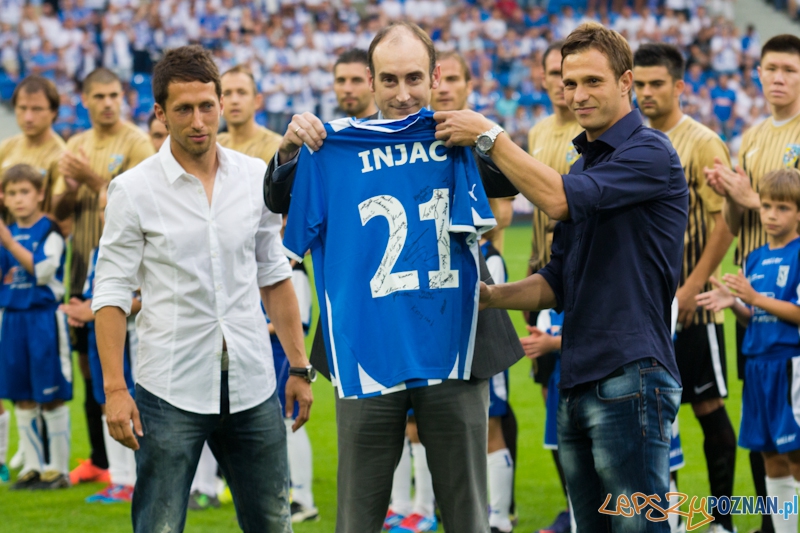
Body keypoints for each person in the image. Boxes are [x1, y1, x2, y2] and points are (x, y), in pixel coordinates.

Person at [436, 22, 687, 531]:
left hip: (631, 371)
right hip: (576, 375)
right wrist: (486, 296)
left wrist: (489, 135)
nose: (577, 94)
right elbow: (559, 281)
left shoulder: (649, 151)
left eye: (592, 81)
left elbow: (556, 200)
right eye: (569, 84)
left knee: (639, 525)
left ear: (626, 82)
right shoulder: (585, 163)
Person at [282, 22, 518, 533]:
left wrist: (487, 136)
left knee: (466, 512)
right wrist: (288, 153)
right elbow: (280, 200)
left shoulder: (463, 138)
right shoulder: (331, 149)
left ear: (435, 77)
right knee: (358, 512)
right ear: (371, 81)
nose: (403, 93)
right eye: (389, 80)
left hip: (457, 343)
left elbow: (516, 180)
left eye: (414, 78)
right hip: (367, 345)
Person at [91, 45, 313, 533]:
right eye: (183, 109)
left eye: (206, 106)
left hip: (253, 379)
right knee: (160, 524)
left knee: (274, 522)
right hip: (169, 385)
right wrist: (114, 389)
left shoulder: (254, 176)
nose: (198, 120)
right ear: (159, 113)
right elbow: (109, 292)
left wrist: (298, 366)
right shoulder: (133, 189)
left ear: (219, 104)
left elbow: (274, 274)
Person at [633, 43, 737, 533]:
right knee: (654, 410)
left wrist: (692, 287)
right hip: (647, 305)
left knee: (707, 405)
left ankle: (722, 519)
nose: (648, 93)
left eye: (658, 84)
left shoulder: (702, 142)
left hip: (692, 303)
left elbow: (728, 221)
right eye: (641, 84)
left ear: (679, 86)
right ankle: (669, 516)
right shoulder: (632, 140)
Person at [705, 34, 800, 533]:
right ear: (758, 74)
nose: (779, 77)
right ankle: (772, 522)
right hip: (753, 295)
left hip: (791, 296)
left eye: (789, 68)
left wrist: (747, 194)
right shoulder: (755, 136)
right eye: (771, 68)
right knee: (762, 424)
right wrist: (732, 194)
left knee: (795, 428)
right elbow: (741, 219)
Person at [59, 67, 154, 488]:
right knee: (87, 367)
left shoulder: (135, 140)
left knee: (130, 366)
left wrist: (90, 179)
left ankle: (137, 466)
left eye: (114, 94)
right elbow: (58, 212)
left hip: (127, 268)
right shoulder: (76, 144)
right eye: (98, 96)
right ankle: (103, 460)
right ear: (84, 100)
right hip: (81, 263)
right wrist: (67, 187)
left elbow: (140, 197)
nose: (107, 103)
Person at [697, 168, 800, 533]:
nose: (771, 214)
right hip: (757, 366)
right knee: (770, 455)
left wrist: (754, 298)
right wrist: (736, 305)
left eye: (783, 208)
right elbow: (756, 319)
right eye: (767, 206)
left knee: (796, 454)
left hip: (790, 365)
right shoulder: (754, 258)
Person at [522, 40, 582, 533]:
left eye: (570, 73)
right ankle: (572, 505)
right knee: (550, 399)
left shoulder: (592, 130)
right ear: (543, 79)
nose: (561, 81)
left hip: (581, 278)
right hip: (544, 276)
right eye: (554, 72)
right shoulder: (538, 130)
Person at [59, 186, 140, 504]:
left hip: (127, 337)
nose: (107, 217)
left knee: (129, 402)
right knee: (107, 403)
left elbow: (141, 300)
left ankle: (134, 479)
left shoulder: (139, 248)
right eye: (103, 211)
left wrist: (90, 311)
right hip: (98, 337)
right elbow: (94, 291)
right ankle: (118, 480)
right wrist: (79, 308)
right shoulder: (98, 250)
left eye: (112, 209)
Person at [0, 164, 70, 490]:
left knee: (51, 394)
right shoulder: (6, 232)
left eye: (25, 191)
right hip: (12, 319)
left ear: (40, 194)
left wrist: (10, 245)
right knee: (21, 396)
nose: (18, 199)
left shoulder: (49, 231)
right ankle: (32, 466)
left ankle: (58, 469)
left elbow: (42, 271)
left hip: (43, 319)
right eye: (12, 193)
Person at [0, 76, 65, 216]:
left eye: (37, 109)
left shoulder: (62, 157)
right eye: (22, 108)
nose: (28, 117)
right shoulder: (5, 148)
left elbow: (61, 217)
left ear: (54, 112)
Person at [217, 65, 282, 162]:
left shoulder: (275, 146)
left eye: (242, 92)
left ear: (257, 101)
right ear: (219, 103)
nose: (234, 100)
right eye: (227, 93)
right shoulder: (215, 144)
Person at [333, 48, 378, 120]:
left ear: (373, 84)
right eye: (341, 81)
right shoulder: (329, 130)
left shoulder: (390, 130)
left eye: (357, 80)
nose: (347, 89)